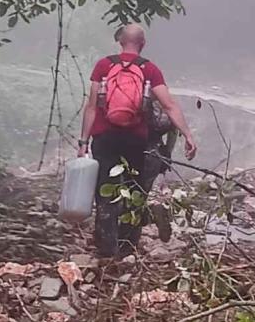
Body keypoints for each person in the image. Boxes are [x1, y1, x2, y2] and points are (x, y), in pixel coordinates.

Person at [78, 24, 197, 258]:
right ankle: (127, 248)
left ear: (120, 42)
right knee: (135, 190)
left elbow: (91, 107)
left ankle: (106, 249)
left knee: (105, 191)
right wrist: (188, 135)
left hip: (105, 138)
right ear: (142, 44)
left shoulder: (104, 65)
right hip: (135, 140)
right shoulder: (149, 70)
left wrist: (83, 141)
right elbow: (169, 105)